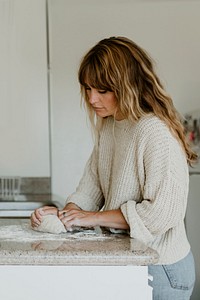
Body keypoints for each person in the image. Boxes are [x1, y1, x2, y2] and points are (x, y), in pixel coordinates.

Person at [31, 36, 196, 299]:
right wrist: (67, 214)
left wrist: (93, 218)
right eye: (87, 89)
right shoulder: (111, 126)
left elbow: (162, 214)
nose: (92, 99)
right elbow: (90, 187)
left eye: (102, 90)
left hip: (162, 268)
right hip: (133, 263)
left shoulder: (153, 132)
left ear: (127, 86)